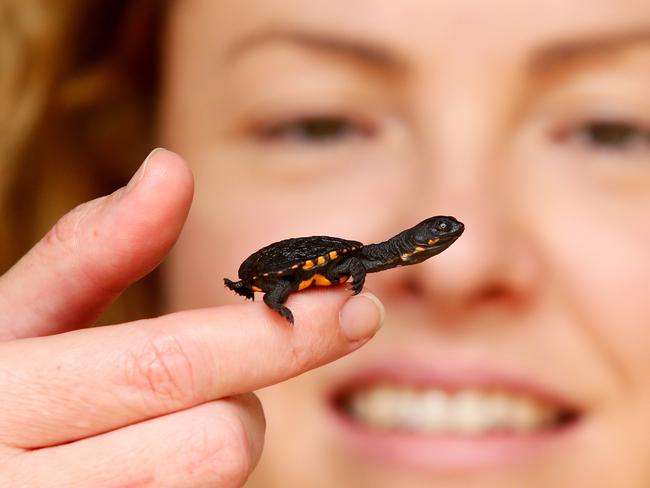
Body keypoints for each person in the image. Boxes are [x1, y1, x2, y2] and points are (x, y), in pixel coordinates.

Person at [2, 1, 650, 487]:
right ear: (122, 149)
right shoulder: (352, 266)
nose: (463, 272)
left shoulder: (370, 265)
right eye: (319, 124)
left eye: (611, 131)